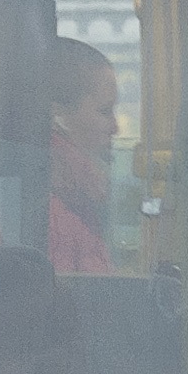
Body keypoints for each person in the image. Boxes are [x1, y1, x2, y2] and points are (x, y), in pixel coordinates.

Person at [44, 38, 120, 274]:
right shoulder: (54, 214)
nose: (115, 127)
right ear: (58, 115)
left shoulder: (76, 195)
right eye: (104, 111)